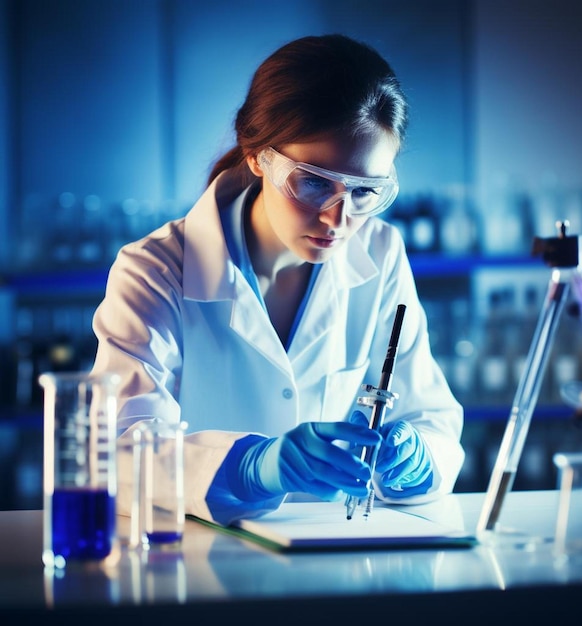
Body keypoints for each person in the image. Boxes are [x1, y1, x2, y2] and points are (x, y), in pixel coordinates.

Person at [91, 34, 464, 525]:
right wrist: (249, 468)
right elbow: (119, 448)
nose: (338, 219)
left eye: (365, 190)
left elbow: (429, 416)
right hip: (195, 564)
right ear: (257, 154)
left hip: (335, 562)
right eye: (314, 182)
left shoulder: (380, 252)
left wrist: (415, 461)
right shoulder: (155, 270)